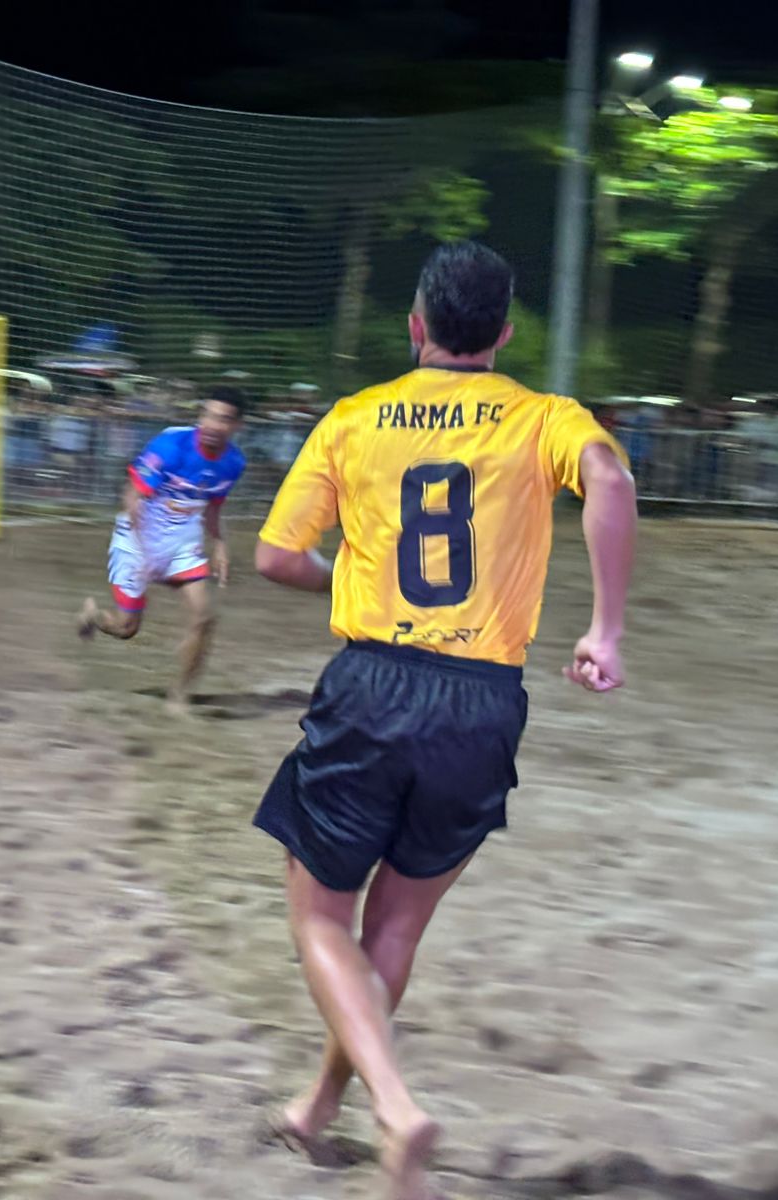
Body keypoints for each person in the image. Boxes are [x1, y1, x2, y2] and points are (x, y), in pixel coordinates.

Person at [250, 241, 637, 1199]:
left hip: (374, 684)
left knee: (321, 918)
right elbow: (612, 482)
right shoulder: (544, 417)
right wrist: (604, 629)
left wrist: (354, 577)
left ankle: (394, 1107)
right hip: (483, 701)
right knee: (394, 929)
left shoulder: (355, 417)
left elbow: (274, 557)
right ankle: (318, 1108)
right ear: (502, 334)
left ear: (416, 325)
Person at [77, 386, 247, 710]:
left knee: (205, 616)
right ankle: (94, 616)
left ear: (237, 425)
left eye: (223, 419)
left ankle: (179, 697)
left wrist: (220, 545)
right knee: (126, 628)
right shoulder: (171, 445)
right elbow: (132, 497)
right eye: (208, 415)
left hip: (182, 542)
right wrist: (145, 552)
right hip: (137, 538)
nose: (212, 424)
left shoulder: (233, 463)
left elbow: (213, 507)